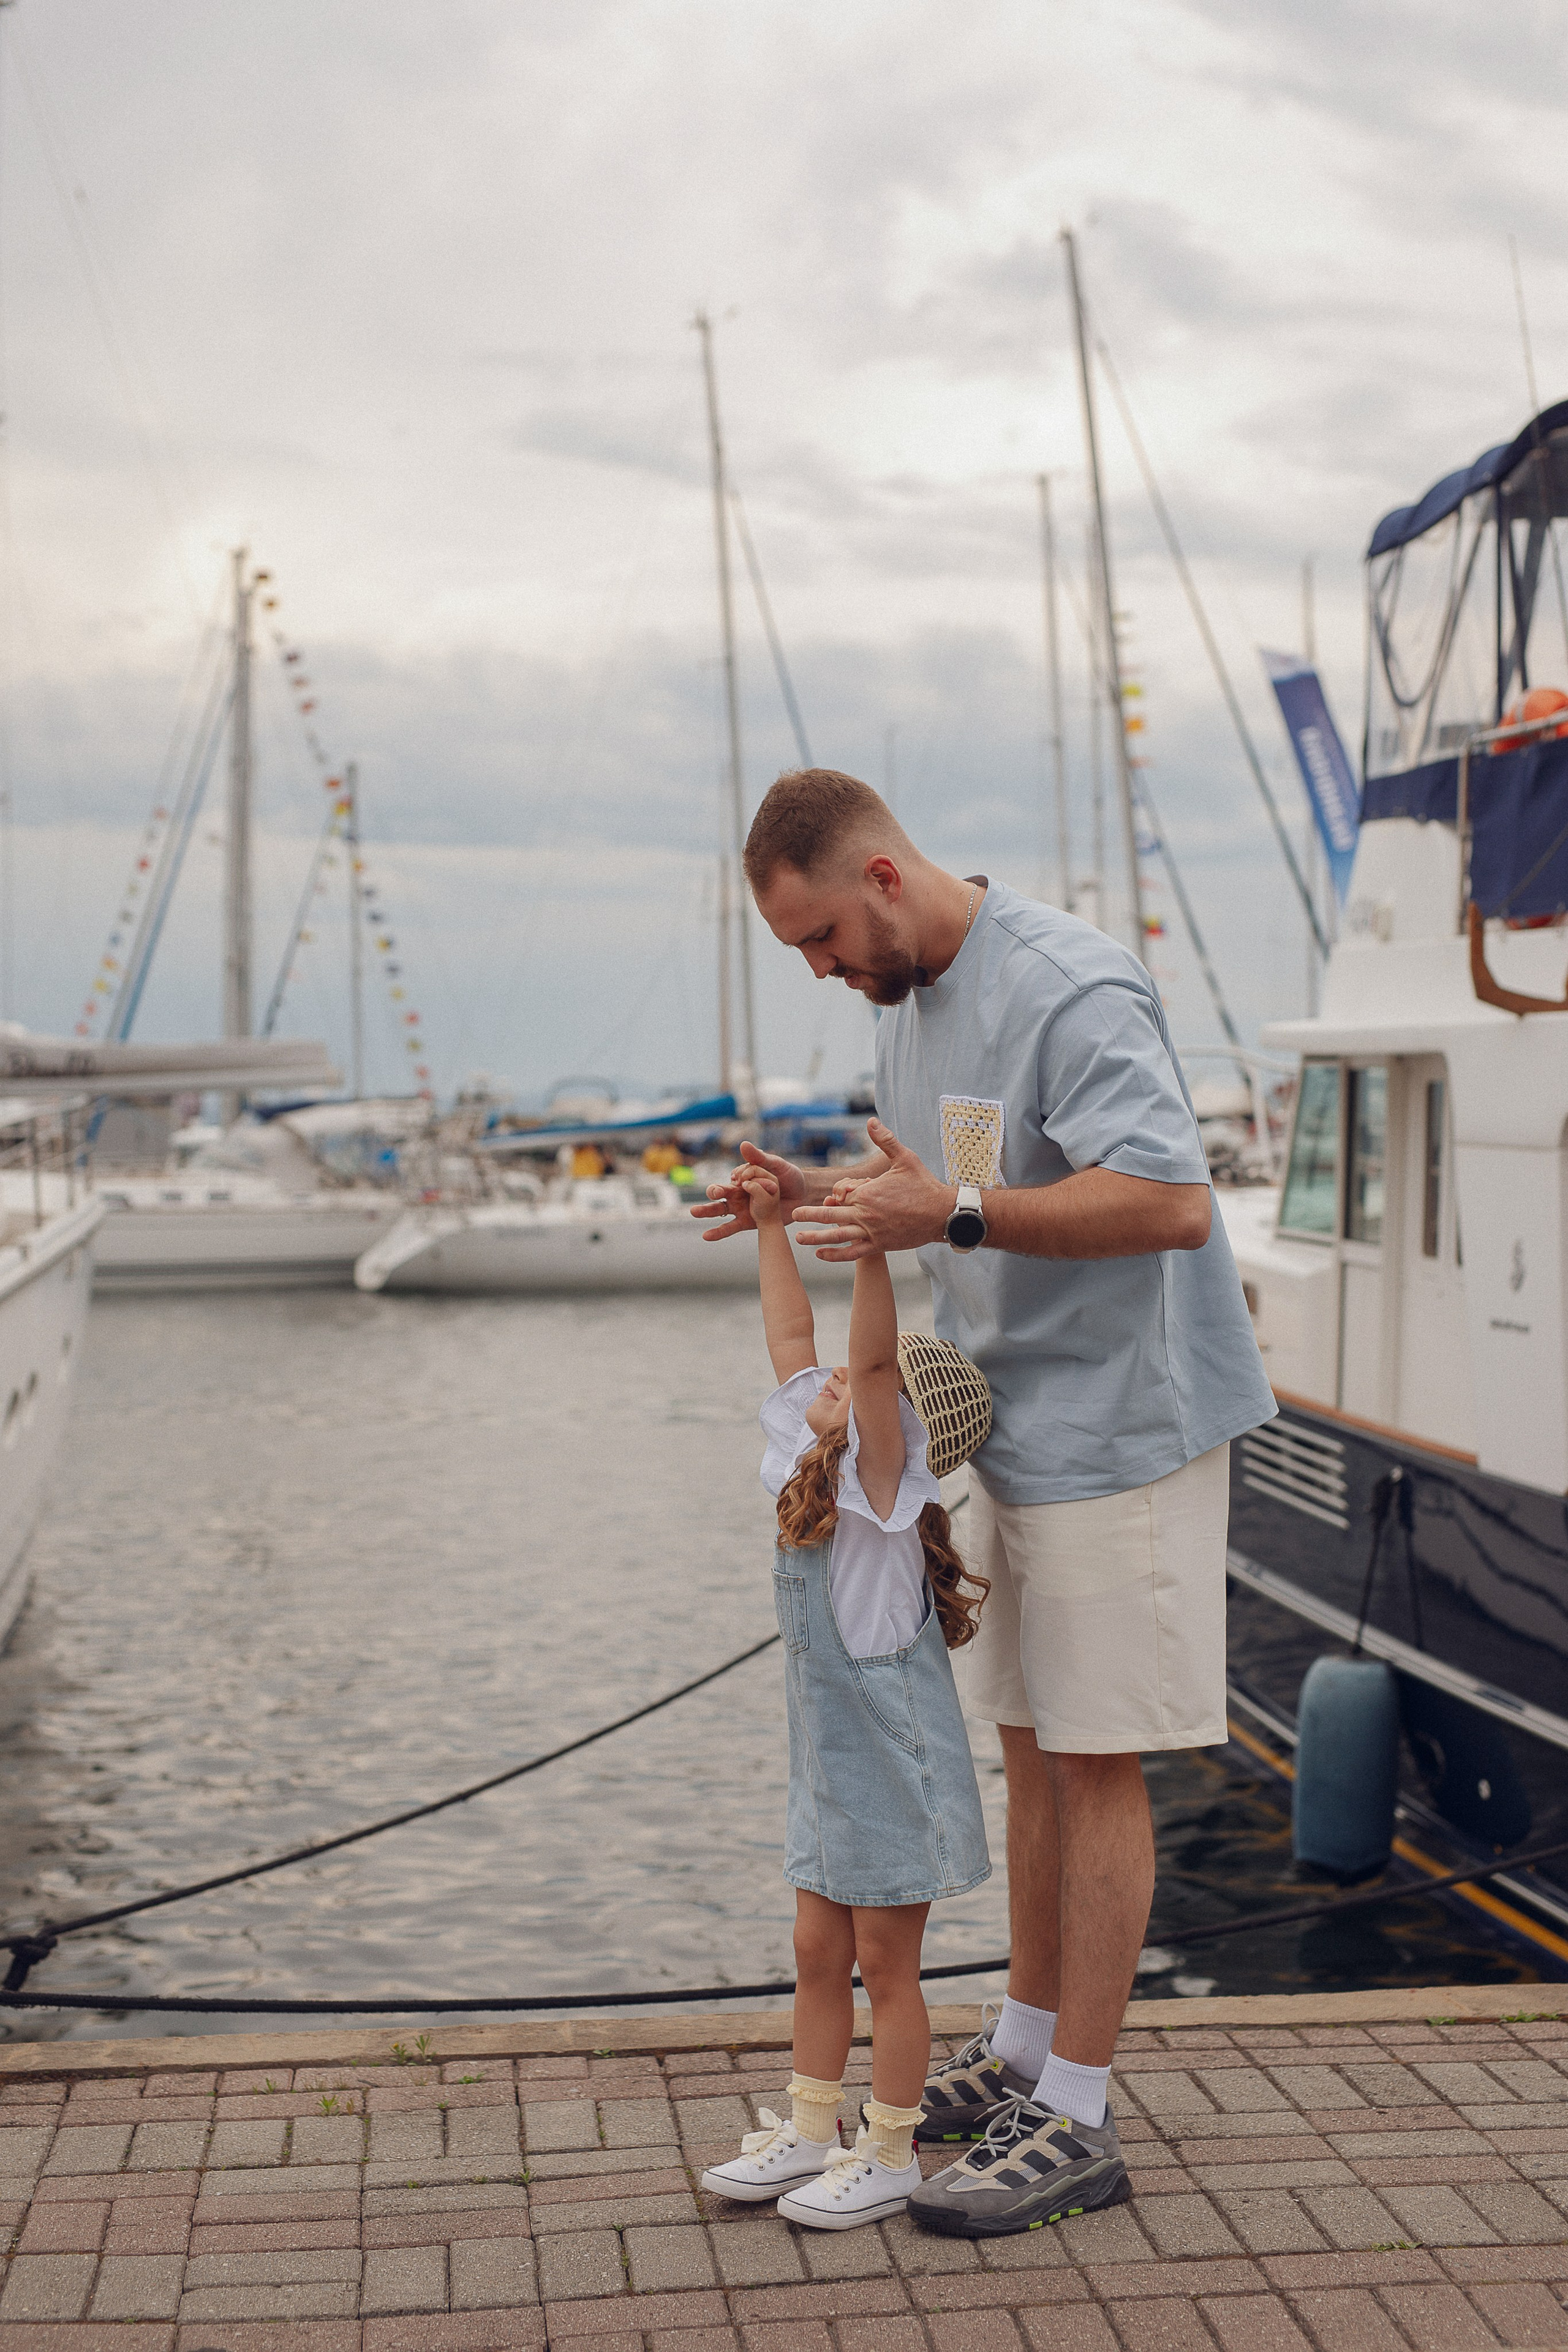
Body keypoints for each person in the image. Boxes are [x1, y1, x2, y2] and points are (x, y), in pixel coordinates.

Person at [693, 767, 1275, 2241]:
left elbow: (1166, 1200)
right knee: (1026, 1744)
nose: (822, 973)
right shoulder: (907, 1012)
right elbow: (948, 1188)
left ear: (881, 877)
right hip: (1002, 1427)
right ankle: (1021, 2051)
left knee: (1092, 1762)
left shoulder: (1067, 989)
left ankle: (1074, 2111)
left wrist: (941, 1214)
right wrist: (812, 1198)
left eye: (820, 938)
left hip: (1122, 1429)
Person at [698, 1162, 993, 2231]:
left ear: (898, 1429)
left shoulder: (876, 1495)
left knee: (885, 1967)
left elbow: (866, 1361)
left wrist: (871, 1250)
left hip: (893, 1784)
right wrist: (775, 1225)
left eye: (864, 1387)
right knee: (817, 1955)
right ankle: (811, 2128)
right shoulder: (806, 1463)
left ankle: (892, 2149)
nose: (824, 1378)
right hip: (829, 1774)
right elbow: (791, 1341)